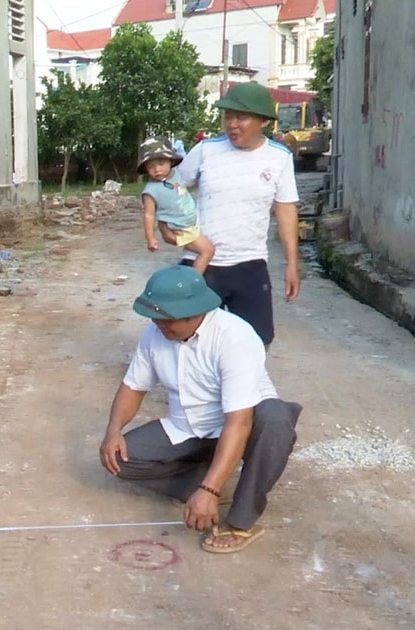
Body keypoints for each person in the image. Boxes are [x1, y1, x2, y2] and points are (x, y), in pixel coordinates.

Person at [99, 265, 303, 554]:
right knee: (118, 458)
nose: (158, 324)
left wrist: (209, 491)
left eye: (166, 319)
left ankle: (240, 518)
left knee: (276, 419)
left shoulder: (235, 338)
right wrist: (113, 431)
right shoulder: (155, 333)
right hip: (189, 427)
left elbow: (239, 421)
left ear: (195, 314)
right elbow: (133, 387)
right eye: (155, 317)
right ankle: (210, 479)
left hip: (242, 427)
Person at [167, 81, 302, 348]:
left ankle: (243, 389)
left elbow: (286, 211)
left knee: (256, 342)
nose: (232, 124)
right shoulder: (207, 150)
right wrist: (177, 232)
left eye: (241, 117)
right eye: (228, 116)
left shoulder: (279, 158)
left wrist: (292, 264)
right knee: (188, 338)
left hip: (249, 265)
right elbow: (171, 191)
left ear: (263, 120)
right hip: (201, 264)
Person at [138, 137, 215, 273]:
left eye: (161, 163)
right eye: (151, 166)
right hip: (181, 228)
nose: (157, 170)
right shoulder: (150, 191)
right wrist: (150, 239)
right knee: (207, 251)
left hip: (190, 222)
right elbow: (149, 215)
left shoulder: (176, 174)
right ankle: (194, 282)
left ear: (171, 161)